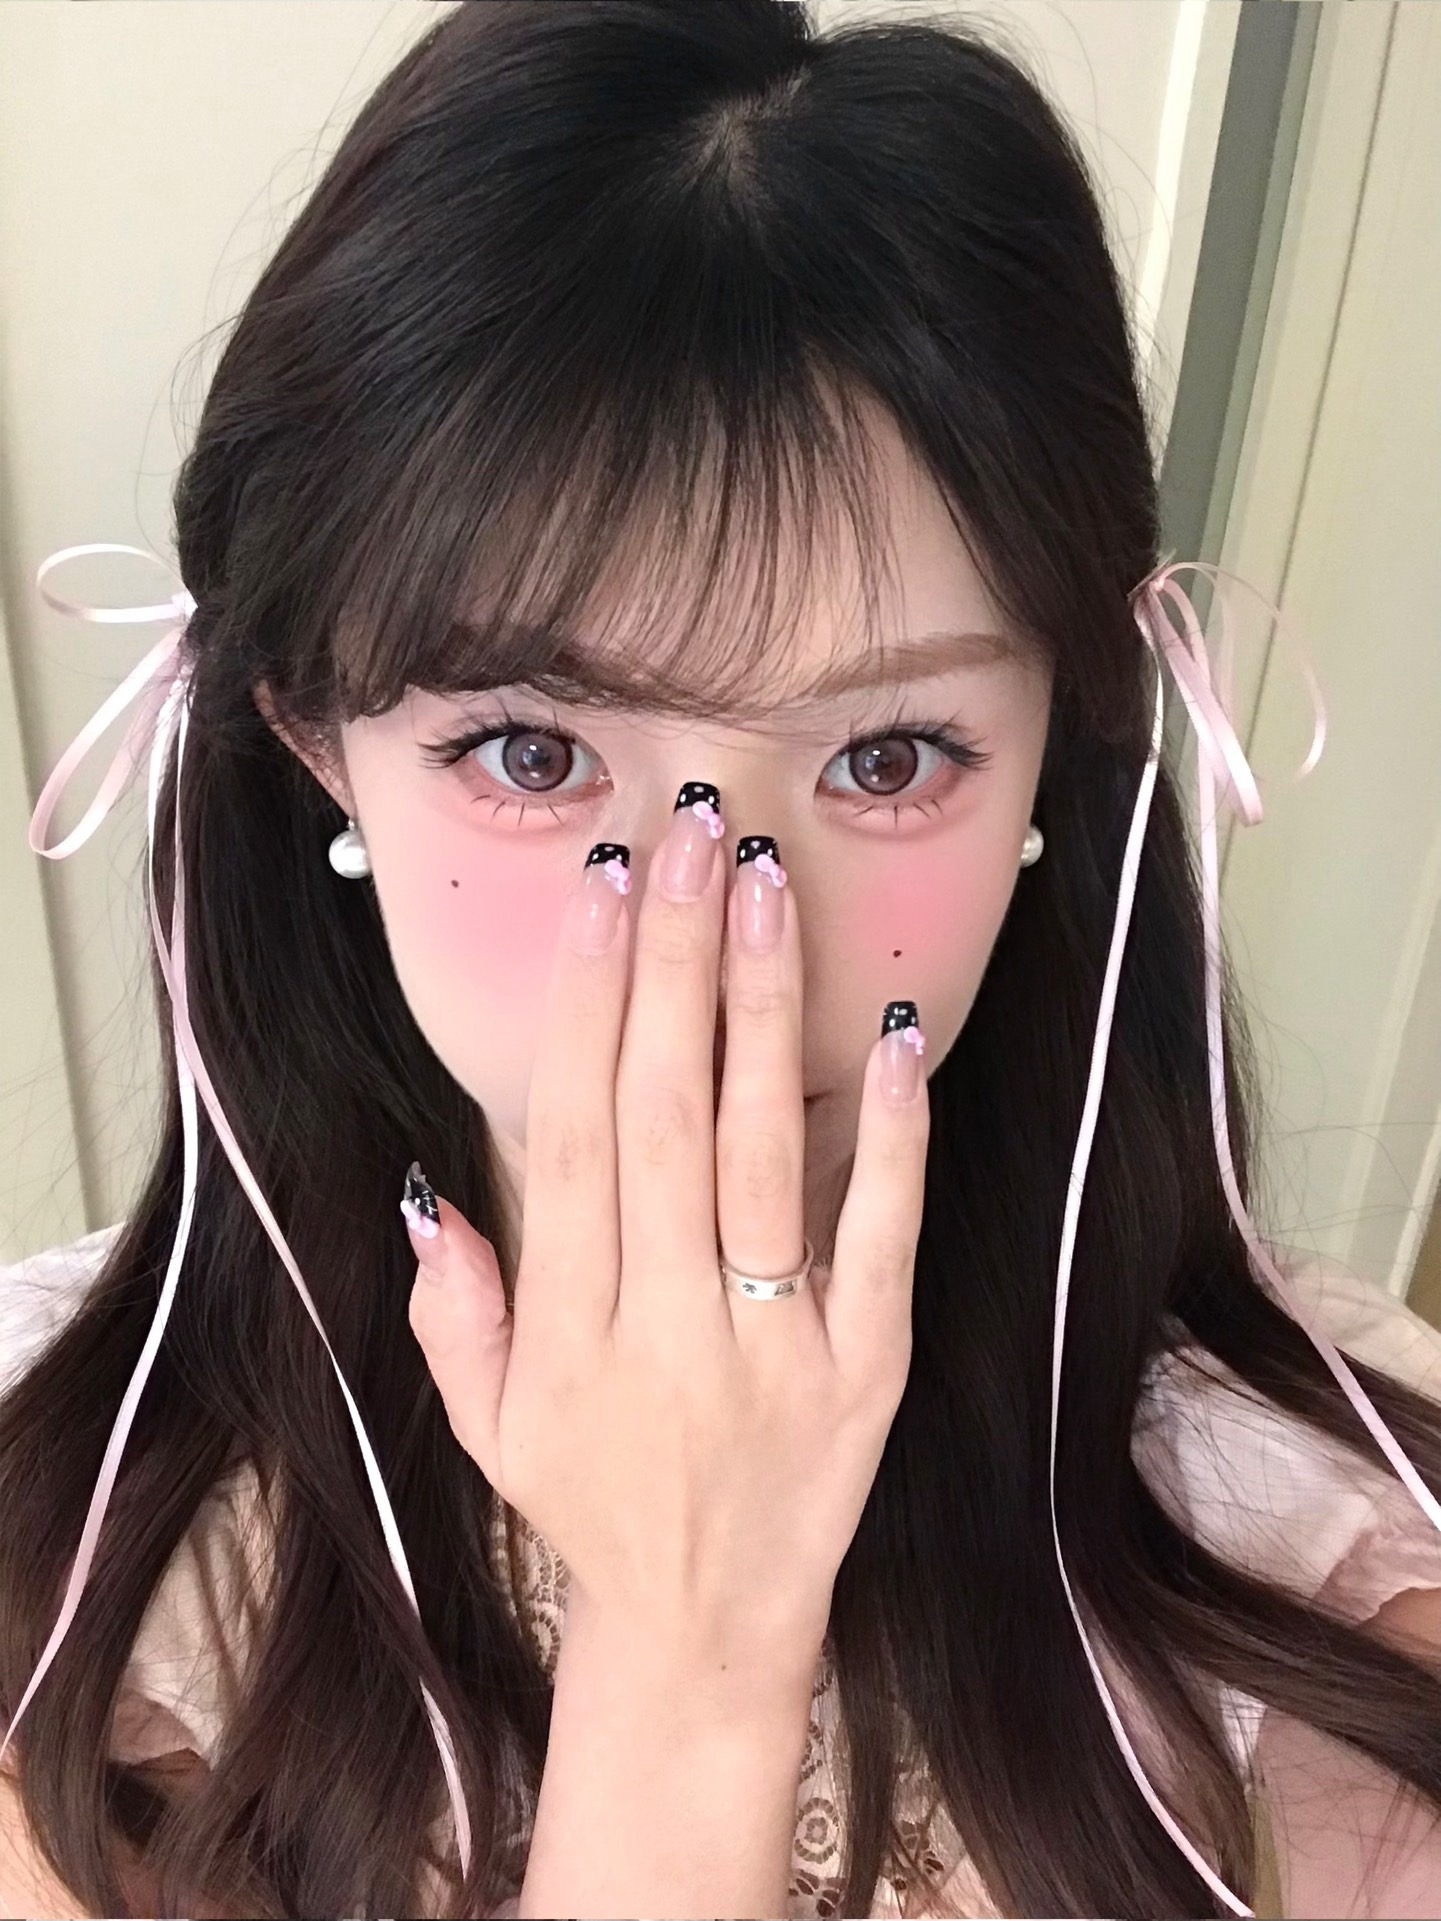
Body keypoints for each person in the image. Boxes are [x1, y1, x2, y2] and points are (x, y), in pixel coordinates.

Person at [1, 3, 1439, 1916]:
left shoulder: (1337, 1547)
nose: (718, 920)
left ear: (1055, 759)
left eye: (886, 757)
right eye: (534, 755)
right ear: (316, 747)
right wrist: (686, 1658)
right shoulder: (68, 1571)